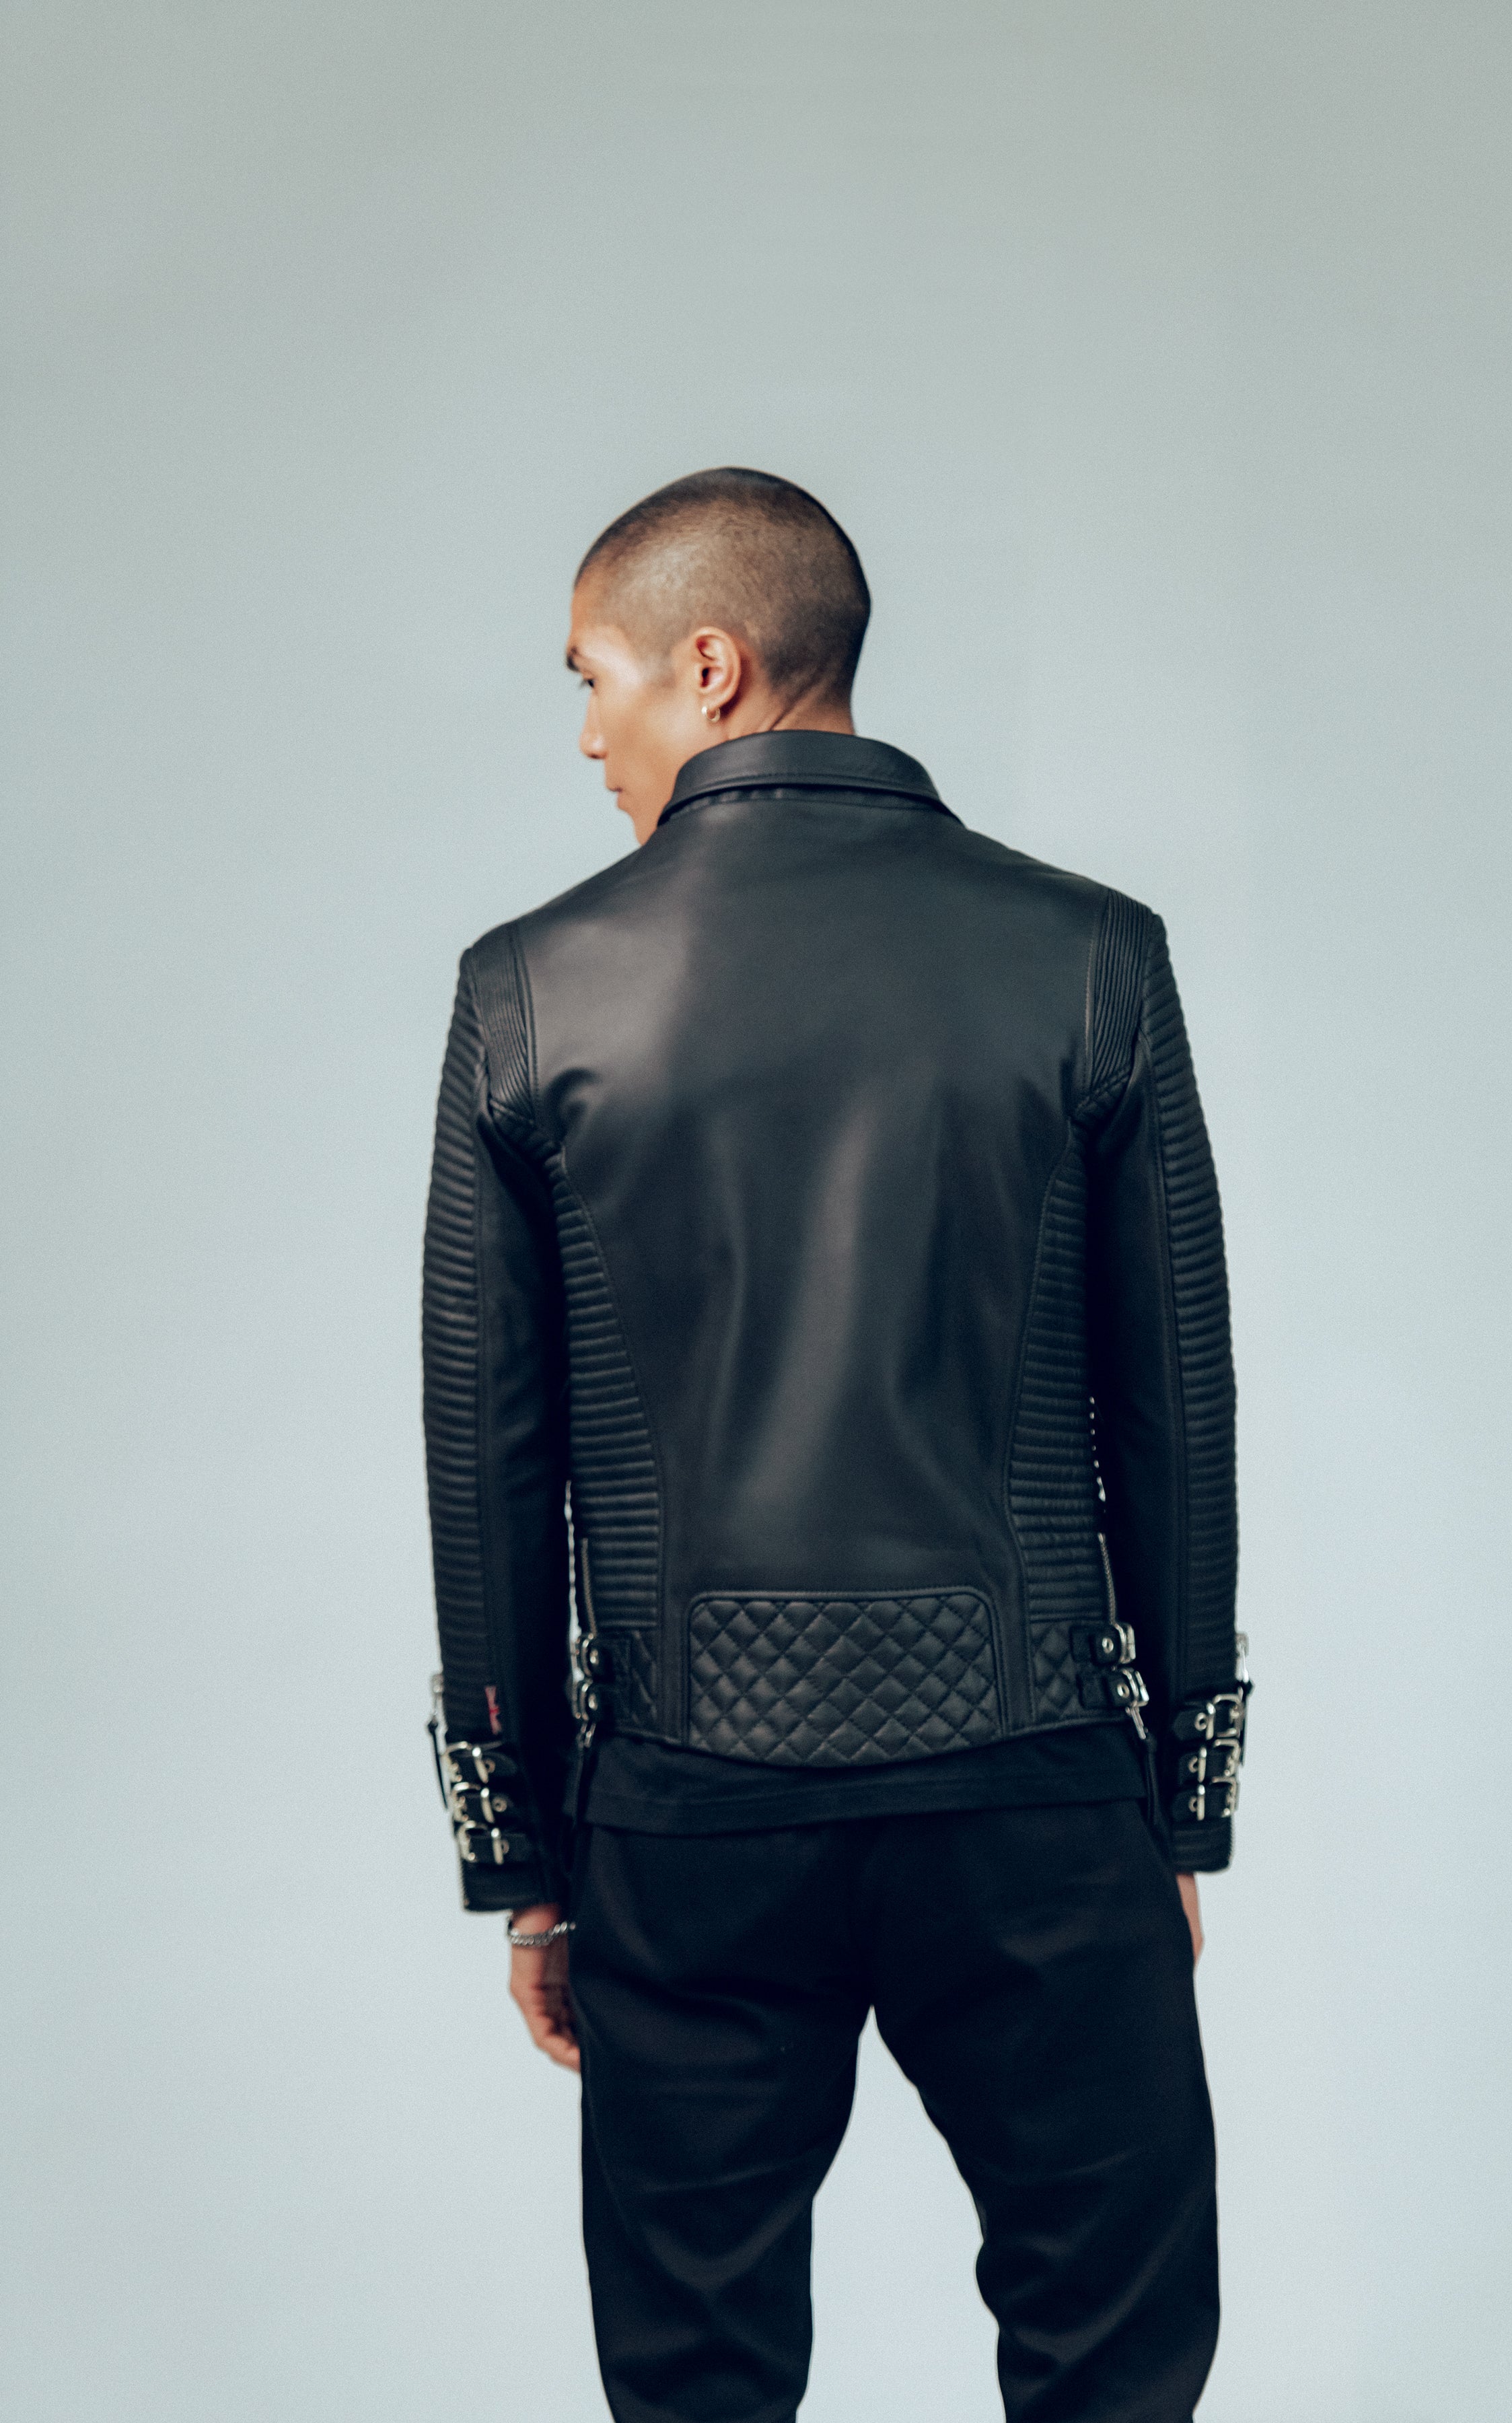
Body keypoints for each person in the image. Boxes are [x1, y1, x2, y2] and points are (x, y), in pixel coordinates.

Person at [421, 466, 1247, 2423]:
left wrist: (528, 1858)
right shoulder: (1091, 955)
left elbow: (491, 1456)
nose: (588, 733)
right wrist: (1178, 1804)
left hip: (687, 1818)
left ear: (708, 666)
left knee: (695, 2381)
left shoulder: (528, 989)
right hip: (1036, 1791)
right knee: (1115, 2356)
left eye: (595, 677)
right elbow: (1174, 1408)